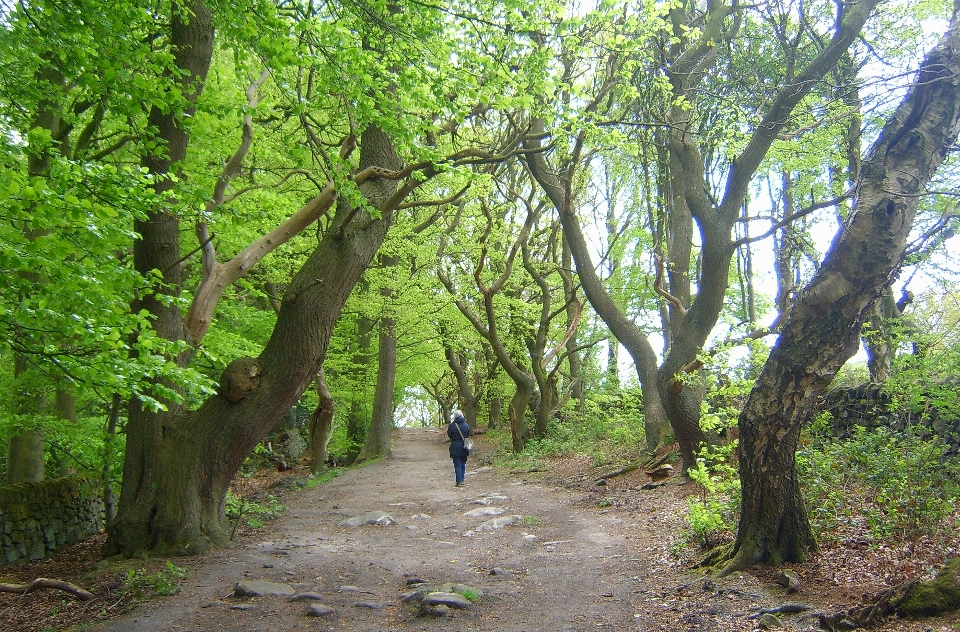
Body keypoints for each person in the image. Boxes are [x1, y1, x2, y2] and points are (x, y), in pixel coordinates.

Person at [447, 409, 470, 487]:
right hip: (464, 446)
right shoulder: (466, 425)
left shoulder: (452, 425)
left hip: (455, 446)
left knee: (457, 464)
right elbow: (467, 434)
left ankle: (459, 481)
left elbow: (449, 435)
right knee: (463, 463)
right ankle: (462, 479)